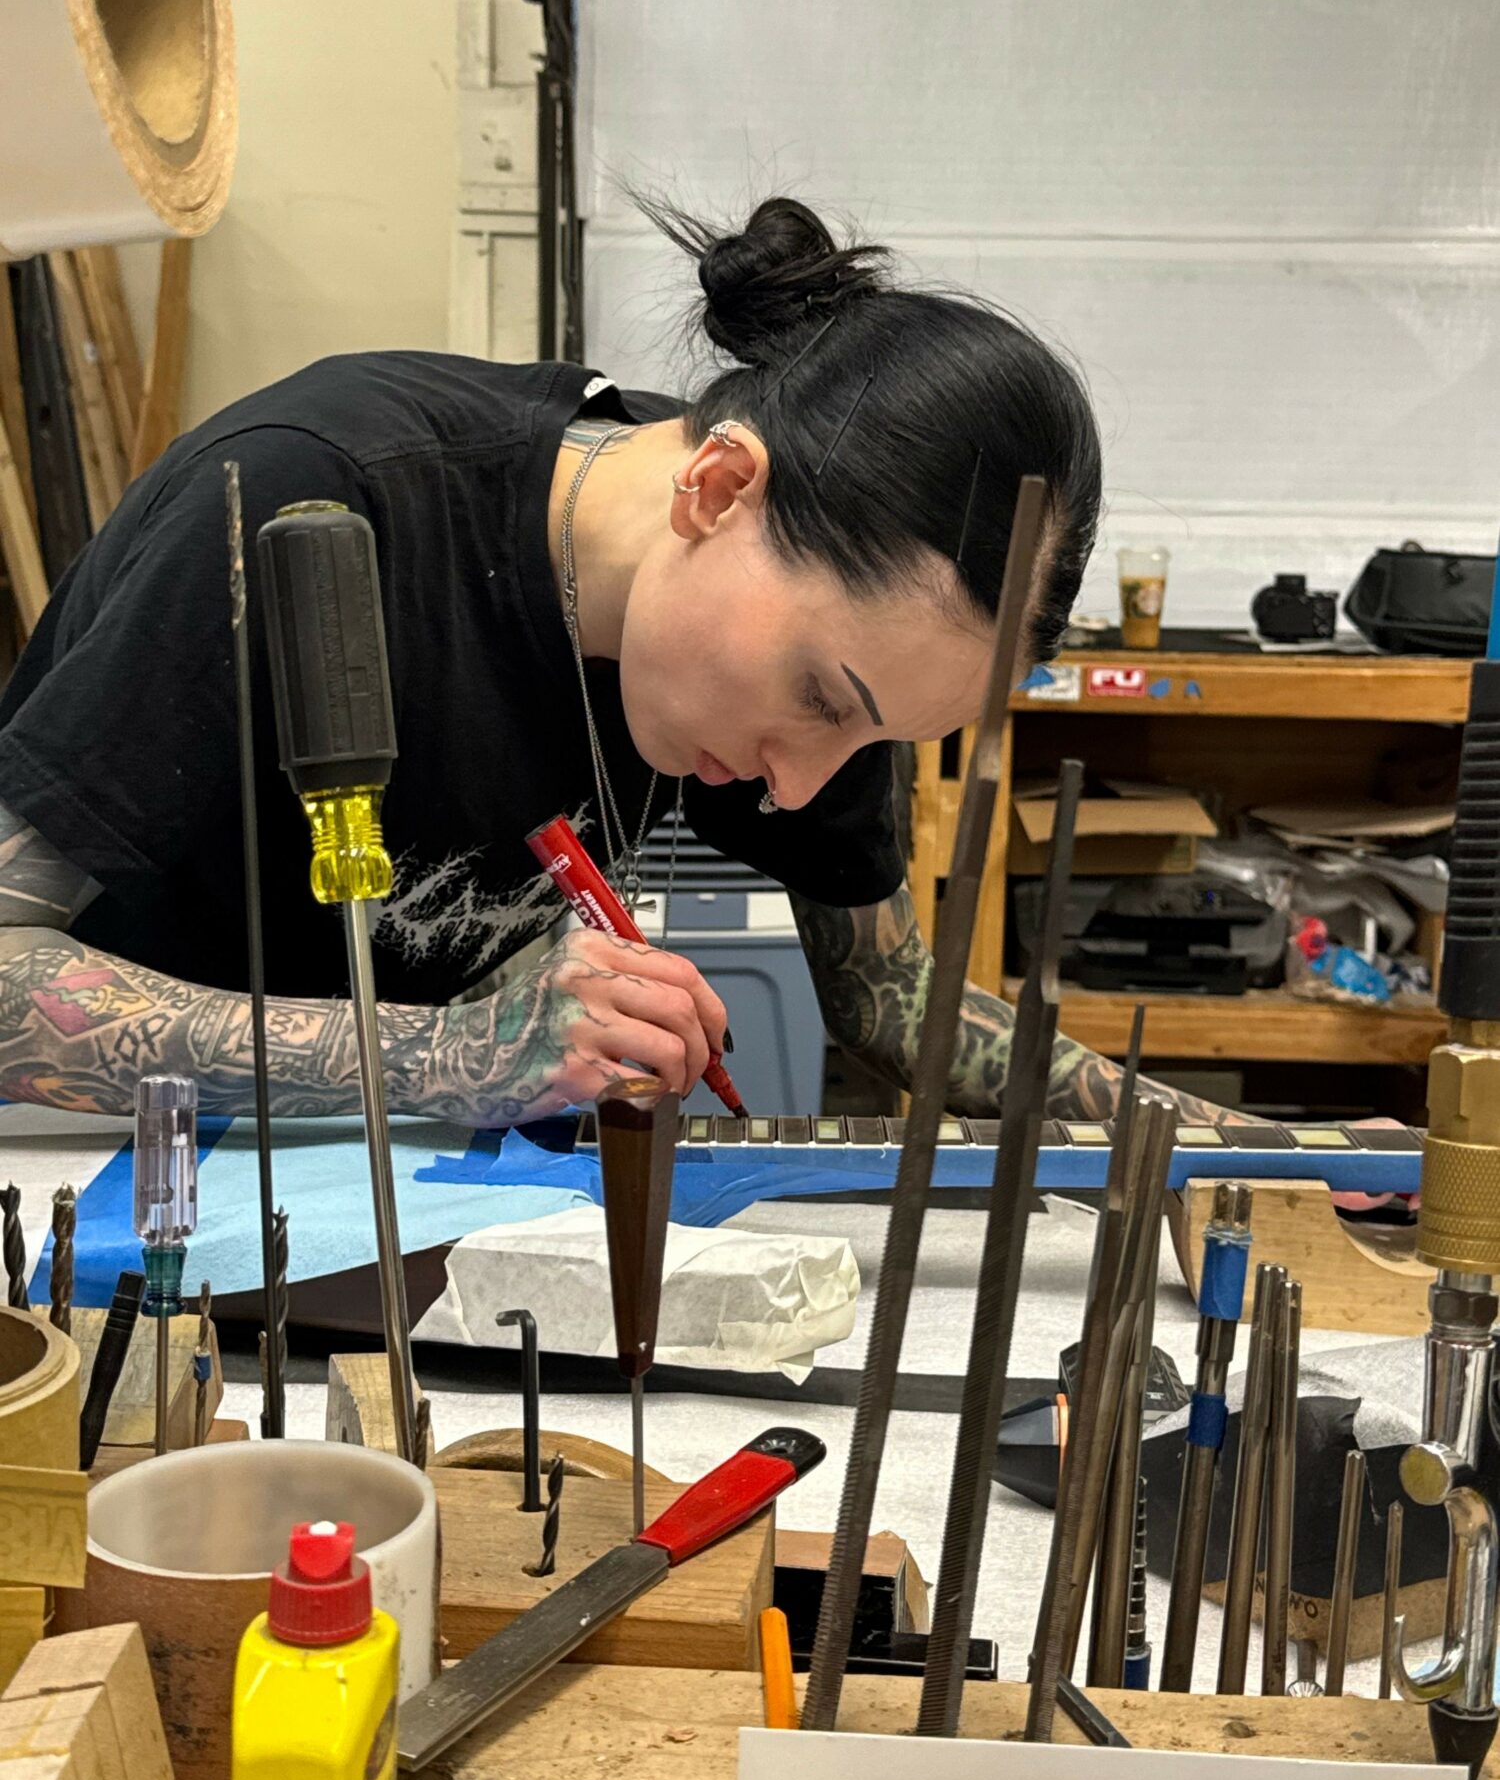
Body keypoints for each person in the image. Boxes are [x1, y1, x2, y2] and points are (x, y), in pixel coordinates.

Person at [0, 194, 1228, 1133]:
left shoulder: (836, 630)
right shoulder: (307, 503)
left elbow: (889, 998)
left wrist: (1218, 1137)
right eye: (822, 701)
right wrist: (451, 1057)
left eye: (873, 736)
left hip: (397, 1202)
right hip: (106, 1204)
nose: (799, 785)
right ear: (719, 486)